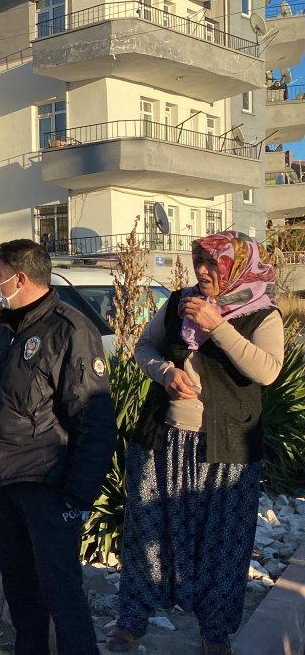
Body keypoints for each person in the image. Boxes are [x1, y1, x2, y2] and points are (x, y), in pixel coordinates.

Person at [108, 232, 283, 654]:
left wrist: (218, 326)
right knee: (150, 529)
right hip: (164, 440)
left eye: (213, 264)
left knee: (223, 540)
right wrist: (165, 372)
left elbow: (267, 371)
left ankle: (214, 631)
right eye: (198, 261)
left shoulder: (263, 314)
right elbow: (144, 346)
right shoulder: (178, 303)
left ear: (235, 266)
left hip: (226, 448)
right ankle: (133, 618)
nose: (202, 271)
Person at [0, 239, 117, 654]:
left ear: (20, 278)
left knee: (60, 593)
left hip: (47, 485)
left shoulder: (69, 330)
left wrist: (78, 496)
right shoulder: (6, 327)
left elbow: (94, 418)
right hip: (3, 480)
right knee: (20, 591)